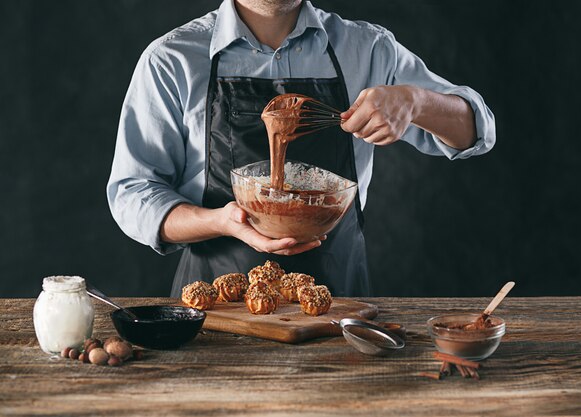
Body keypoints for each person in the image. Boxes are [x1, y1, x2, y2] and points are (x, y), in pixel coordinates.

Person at [107, 0, 496, 297]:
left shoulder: (368, 49)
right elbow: (133, 192)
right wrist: (220, 222)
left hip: (337, 304)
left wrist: (417, 101)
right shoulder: (172, 59)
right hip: (216, 308)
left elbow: (476, 130)